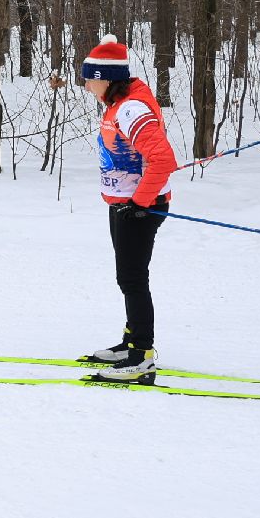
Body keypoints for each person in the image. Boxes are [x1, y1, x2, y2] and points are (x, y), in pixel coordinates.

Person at [79, 35, 178, 382]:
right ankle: (131, 341)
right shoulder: (119, 103)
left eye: (90, 79)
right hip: (123, 204)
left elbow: (163, 159)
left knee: (133, 278)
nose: (88, 86)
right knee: (128, 278)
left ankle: (142, 356)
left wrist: (140, 202)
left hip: (139, 207)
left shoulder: (132, 108)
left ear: (106, 78)